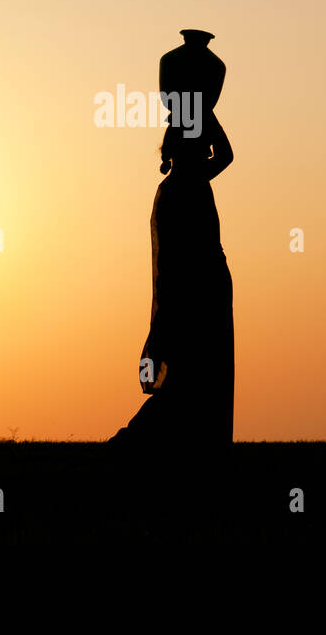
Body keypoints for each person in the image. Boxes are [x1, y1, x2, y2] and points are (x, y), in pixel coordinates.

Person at [111, 110, 235, 449]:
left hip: (205, 290)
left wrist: (202, 110)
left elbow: (225, 154)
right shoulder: (180, 189)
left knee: (201, 381)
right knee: (189, 382)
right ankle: (133, 445)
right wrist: (204, 111)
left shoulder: (187, 183)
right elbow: (171, 262)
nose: (207, 151)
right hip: (193, 296)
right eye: (200, 145)